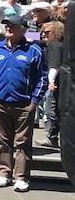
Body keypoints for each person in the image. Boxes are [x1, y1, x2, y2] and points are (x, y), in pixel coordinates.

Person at [0, 14, 47, 193]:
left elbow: (42, 77)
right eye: (7, 25)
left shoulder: (33, 51)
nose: (8, 28)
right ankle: (4, 173)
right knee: (3, 140)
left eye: (12, 26)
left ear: (22, 29)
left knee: (23, 141)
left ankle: (21, 177)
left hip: (23, 104)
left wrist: (34, 101)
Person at [37, 21, 64, 149]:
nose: (43, 35)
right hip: (62, 82)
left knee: (51, 109)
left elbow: (54, 66)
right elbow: (34, 39)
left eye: (46, 32)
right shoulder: (62, 44)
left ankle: (52, 137)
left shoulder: (54, 46)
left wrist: (51, 82)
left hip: (56, 83)